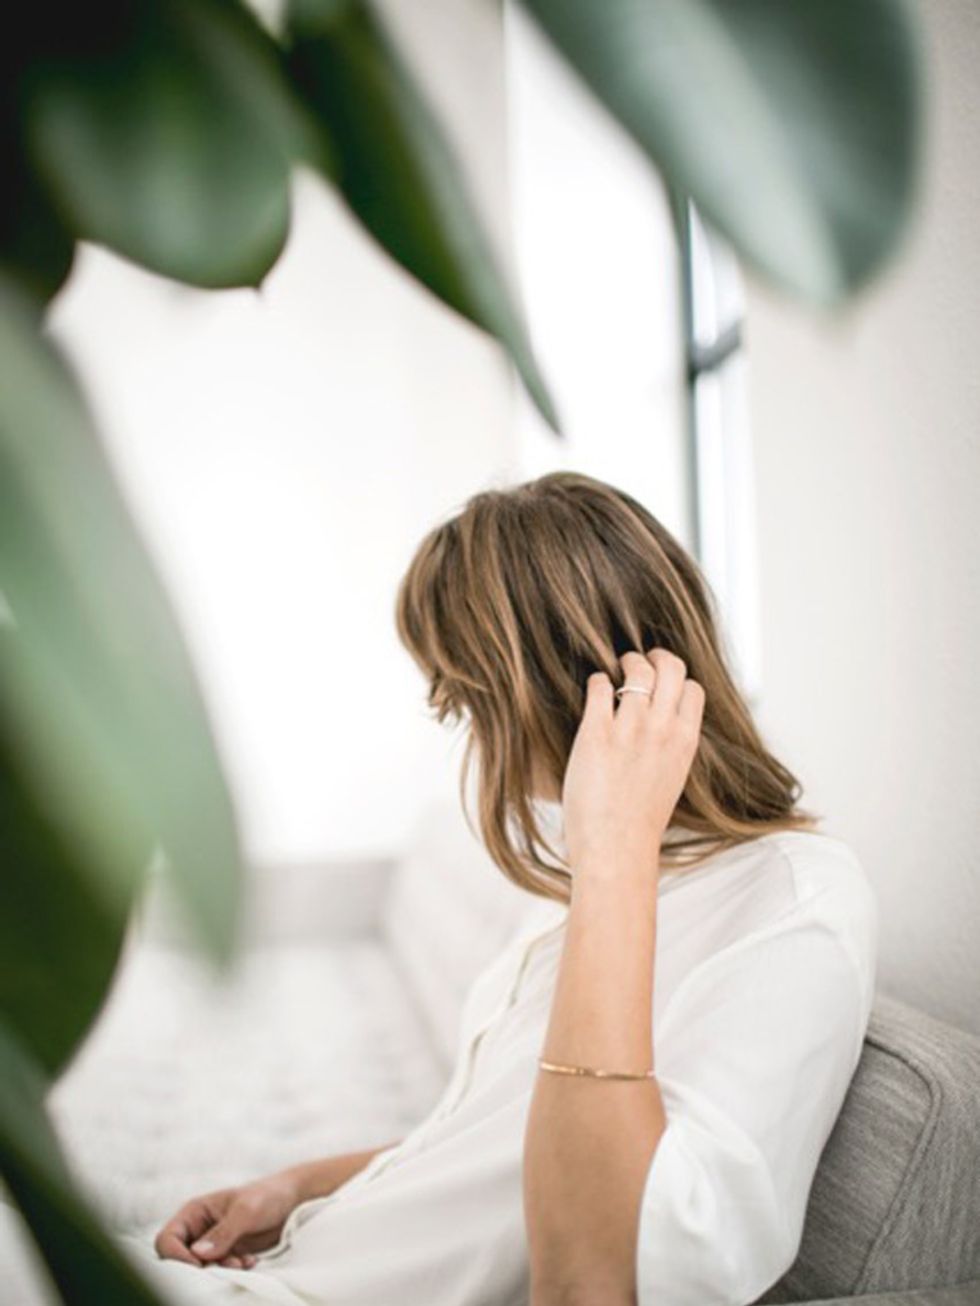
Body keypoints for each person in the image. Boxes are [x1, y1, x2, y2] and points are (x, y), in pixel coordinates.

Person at [2, 471, 877, 1305]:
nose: (468, 739)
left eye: (469, 701)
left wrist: (615, 850)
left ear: (573, 689)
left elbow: (593, 1278)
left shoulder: (791, 907)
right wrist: (299, 1187)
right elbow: (504, 1158)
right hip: (281, 1267)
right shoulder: (623, 878)